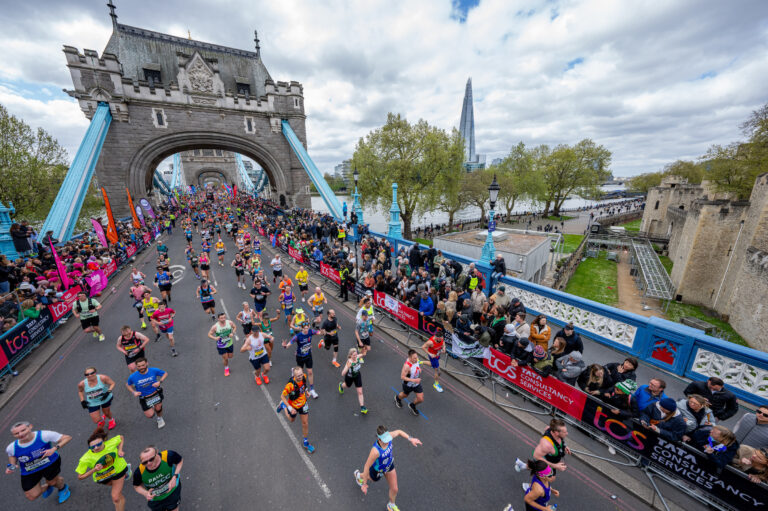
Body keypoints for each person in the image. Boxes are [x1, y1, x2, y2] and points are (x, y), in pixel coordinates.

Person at [354, 425, 422, 511]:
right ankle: (358, 476)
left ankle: (391, 505)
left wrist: (411, 439)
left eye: (388, 439)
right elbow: (367, 466)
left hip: (389, 466)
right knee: (368, 477)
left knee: (395, 488)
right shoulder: (375, 451)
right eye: (384, 441)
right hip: (377, 470)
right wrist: (364, 484)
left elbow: (399, 431)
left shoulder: (389, 436)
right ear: (379, 439)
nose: (387, 442)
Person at [5, 421, 72, 503]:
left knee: (52, 482)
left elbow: (67, 437)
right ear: (13, 435)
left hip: (49, 463)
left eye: (23, 430)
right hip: (29, 470)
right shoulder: (11, 447)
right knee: (32, 496)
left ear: (30, 427)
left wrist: (54, 449)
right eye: (16, 433)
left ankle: (62, 488)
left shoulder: (44, 435)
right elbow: (12, 456)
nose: (20, 434)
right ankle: (49, 485)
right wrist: (11, 466)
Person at [75, 430, 129, 511]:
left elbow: (121, 437)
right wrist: (94, 470)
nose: (96, 448)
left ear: (104, 441)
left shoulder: (110, 443)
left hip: (118, 470)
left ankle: (124, 475)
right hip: (103, 477)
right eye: (92, 447)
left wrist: (120, 450)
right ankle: (126, 476)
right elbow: (80, 477)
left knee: (116, 497)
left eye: (99, 444)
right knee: (117, 493)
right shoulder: (85, 458)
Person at [275, 367, 315, 453]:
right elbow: (282, 396)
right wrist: (289, 407)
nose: (300, 377)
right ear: (294, 375)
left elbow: (304, 386)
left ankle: (305, 442)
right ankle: (283, 406)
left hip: (303, 404)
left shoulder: (304, 377)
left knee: (305, 423)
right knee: (291, 420)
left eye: (301, 374)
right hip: (293, 406)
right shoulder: (290, 385)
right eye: (298, 376)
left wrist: (306, 392)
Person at [132, 446, 183, 511]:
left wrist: (175, 476)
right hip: (155, 500)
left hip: (172, 492)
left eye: (151, 459)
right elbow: (136, 486)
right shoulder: (139, 472)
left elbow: (180, 461)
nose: (149, 463)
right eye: (145, 462)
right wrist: (146, 493)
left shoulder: (168, 456)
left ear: (157, 453)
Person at [125, 358, 167, 429]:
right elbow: (127, 384)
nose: (141, 367)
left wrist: (160, 382)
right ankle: (153, 407)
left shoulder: (153, 370)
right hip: (144, 398)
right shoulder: (133, 376)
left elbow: (165, 373)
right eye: (139, 366)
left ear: (147, 363)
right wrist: (133, 392)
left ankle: (159, 418)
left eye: (143, 365)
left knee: (158, 408)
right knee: (150, 415)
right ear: (136, 366)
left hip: (156, 393)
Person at [282, 323, 321, 398]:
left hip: (308, 355)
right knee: (300, 373)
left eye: (307, 328)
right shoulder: (298, 336)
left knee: (310, 372)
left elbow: (319, 333)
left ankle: (312, 390)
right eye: (305, 328)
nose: (306, 330)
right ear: (302, 328)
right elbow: (289, 344)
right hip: (300, 357)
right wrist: (285, 346)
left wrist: (323, 332)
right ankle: (295, 376)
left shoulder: (311, 331)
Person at [338, 348, 368, 415]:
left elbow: (362, 354)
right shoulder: (349, 362)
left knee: (360, 392)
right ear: (350, 355)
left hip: (357, 375)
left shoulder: (357, 357)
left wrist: (364, 352)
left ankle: (362, 407)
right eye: (354, 355)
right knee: (347, 385)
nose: (355, 356)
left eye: (356, 354)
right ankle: (341, 385)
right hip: (350, 377)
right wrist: (348, 367)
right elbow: (342, 373)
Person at [395, 349, 424, 416]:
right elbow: (402, 377)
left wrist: (419, 369)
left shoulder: (416, 359)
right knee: (405, 395)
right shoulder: (407, 366)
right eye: (414, 358)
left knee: (421, 399)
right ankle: (397, 398)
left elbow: (417, 365)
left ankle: (412, 405)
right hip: (408, 384)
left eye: (417, 357)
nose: (416, 359)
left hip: (416, 383)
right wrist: (414, 380)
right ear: (410, 358)